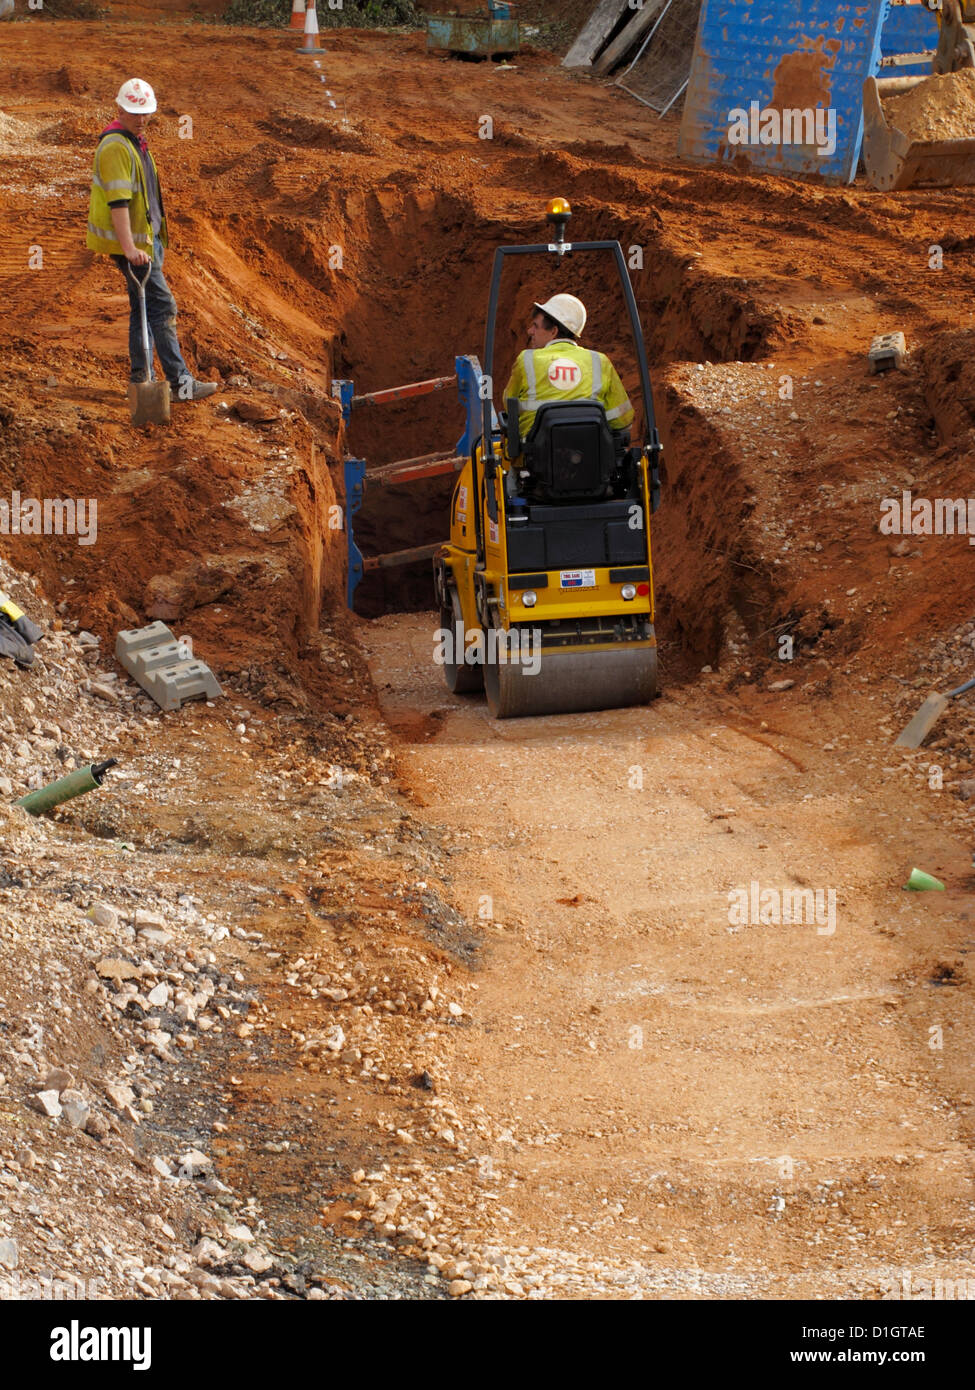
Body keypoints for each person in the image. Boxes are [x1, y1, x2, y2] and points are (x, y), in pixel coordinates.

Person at [86, 79, 217, 402]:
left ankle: (141, 380)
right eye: (134, 113)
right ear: (120, 109)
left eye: (146, 113)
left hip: (145, 244)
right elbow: (117, 202)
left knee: (142, 310)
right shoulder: (117, 146)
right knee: (163, 307)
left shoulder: (134, 141)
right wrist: (130, 249)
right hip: (134, 248)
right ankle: (180, 384)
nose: (142, 119)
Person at [503, 294, 634, 438]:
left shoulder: (527, 359)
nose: (530, 331)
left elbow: (509, 406)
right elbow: (623, 420)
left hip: (537, 456)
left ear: (553, 331)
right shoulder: (600, 361)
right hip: (592, 452)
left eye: (535, 326)